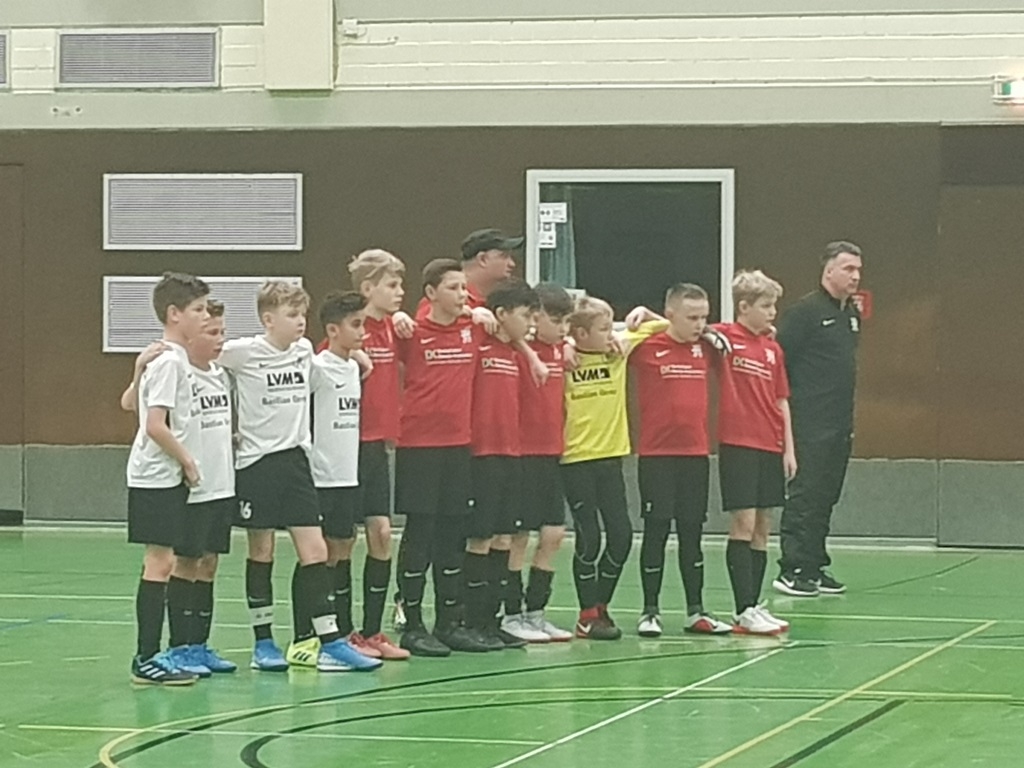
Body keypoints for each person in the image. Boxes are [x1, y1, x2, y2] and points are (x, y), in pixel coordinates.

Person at [219, 280, 381, 673]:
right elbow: (202, 355)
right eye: (291, 315)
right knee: (262, 551)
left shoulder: (305, 351)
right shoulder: (243, 352)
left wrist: (357, 355)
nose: (300, 322)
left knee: (316, 551)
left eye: (302, 314)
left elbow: (329, 370)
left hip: (296, 463)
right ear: (268, 319)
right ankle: (263, 643)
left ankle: (329, 641)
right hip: (257, 464)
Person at [121, 299, 237, 677]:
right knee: (172, 562)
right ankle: (162, 651)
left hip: (217, 480)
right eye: (208, 327)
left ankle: (193, 645)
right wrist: (188, 461)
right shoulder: (172, 364)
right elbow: (141, 413)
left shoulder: (217, 374)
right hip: (177, 478)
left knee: (206, 562)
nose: (218, 337)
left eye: (221, 330)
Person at [394, 259, 491, 656]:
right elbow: (370, 326)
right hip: (419, 446)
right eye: (453, 287)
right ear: (431, 293)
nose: (462, 294)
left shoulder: (475, 327)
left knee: (453, 533)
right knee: (421, 533)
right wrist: (396, 315)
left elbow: (524, 331)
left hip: (458, 445)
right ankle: (412, 624)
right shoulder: (411, 331)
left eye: (464, 287)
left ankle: (449, 622)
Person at [628, 284, 733, 638]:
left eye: (704, 317)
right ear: (670, 314)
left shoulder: (707, 347)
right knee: (656, 531)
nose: (699, 324)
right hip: (656, 456)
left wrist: (707, 330)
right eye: (692, 317)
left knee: (692, 533)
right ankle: (650, 611)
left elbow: (730, 339)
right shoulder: (646, 346)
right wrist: (647, 317)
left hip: (695, 455)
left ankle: (696, 610)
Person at [560, 297, 667, 640]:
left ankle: (601, 605)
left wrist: (644, 313)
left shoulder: (617, 350)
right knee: (589, 537)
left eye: (611, 327)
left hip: (611, 457)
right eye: (604, 328)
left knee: (621, 536)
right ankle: (586, 615)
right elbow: (534, 335)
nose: (611, 334)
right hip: (576, 459)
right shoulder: (565, 357)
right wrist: (565, 344)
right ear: (580, 333)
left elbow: (668, 326)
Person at [124, 272, 209, 685]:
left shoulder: (165, 359)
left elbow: (129, 403)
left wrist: (138, 369)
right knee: (159, 563)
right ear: (174, 314)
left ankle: (152, 655)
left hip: (159, 473)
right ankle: (146, 658)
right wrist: (188, 462)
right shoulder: (171, 361)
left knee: (165, 561)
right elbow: (155, 424)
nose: (204, 316)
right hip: (156, 474)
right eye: (198, 309)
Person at [773, 241, 863, 597]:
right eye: (848, 269)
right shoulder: (805, 313)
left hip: (839, 424)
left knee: (826, 495)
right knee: (806, 495)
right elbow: (780, 362)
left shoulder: (851, 314)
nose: (855, 276)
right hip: (808, 423)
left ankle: (813, 564)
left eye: (858, 270)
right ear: (828, 271)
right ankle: (792, 568)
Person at [712, 270, 796, 635]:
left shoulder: (773, 349)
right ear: (743, 307)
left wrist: (789, 448)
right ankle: (741, 609)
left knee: (763, 526)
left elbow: (781, 400)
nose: (772, 312)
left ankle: (754, 604)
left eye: (774, 306)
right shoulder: (724, 338)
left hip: (769, 444)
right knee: (743, 524)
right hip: (739, 444)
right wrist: (645, 316)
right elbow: (686, 327)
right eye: (765, 306)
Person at [462, 278, 539, 650]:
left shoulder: (515, 352)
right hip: (482, 453)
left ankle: (492, 621)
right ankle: (471, 620)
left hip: (512, 452)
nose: (531, 323)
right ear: (502, 314)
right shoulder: (479, 340)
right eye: (525, 315)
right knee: (480, 537)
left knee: (505, 538)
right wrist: (475, 312)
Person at [500, 283, 575, 643]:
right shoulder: (519, 352)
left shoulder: (562, 350)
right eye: (555, 321)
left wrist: (569, 341)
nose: (563, 329)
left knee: (554, 534)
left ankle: (536, 612)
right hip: (523, 453)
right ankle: (511, 613)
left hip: (552, 452)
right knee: (519, 537)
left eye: (566, 322)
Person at [414, 228, 522, 320]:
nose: (512, 264)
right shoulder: (440, 300)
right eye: (504, 256)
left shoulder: (500, 301)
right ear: (482, 259)